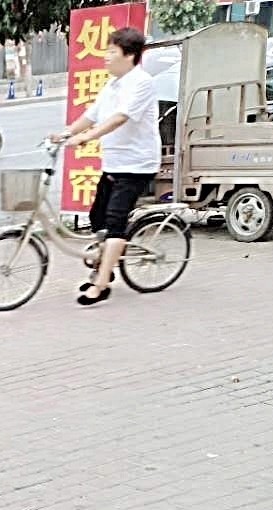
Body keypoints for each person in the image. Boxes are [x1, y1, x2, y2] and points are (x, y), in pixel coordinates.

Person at [52, 27, 162, 306]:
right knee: (97, 217)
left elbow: (120, 118)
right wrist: (65, 134)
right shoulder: (112, 84)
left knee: (114, 221)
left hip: (136, 164)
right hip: (114, 162)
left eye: (112, 51)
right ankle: (103, 262)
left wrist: (87, 138)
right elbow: (91, 116)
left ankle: (101, 283)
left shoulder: (141, 83)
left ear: (130, 55)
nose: (106, 57)